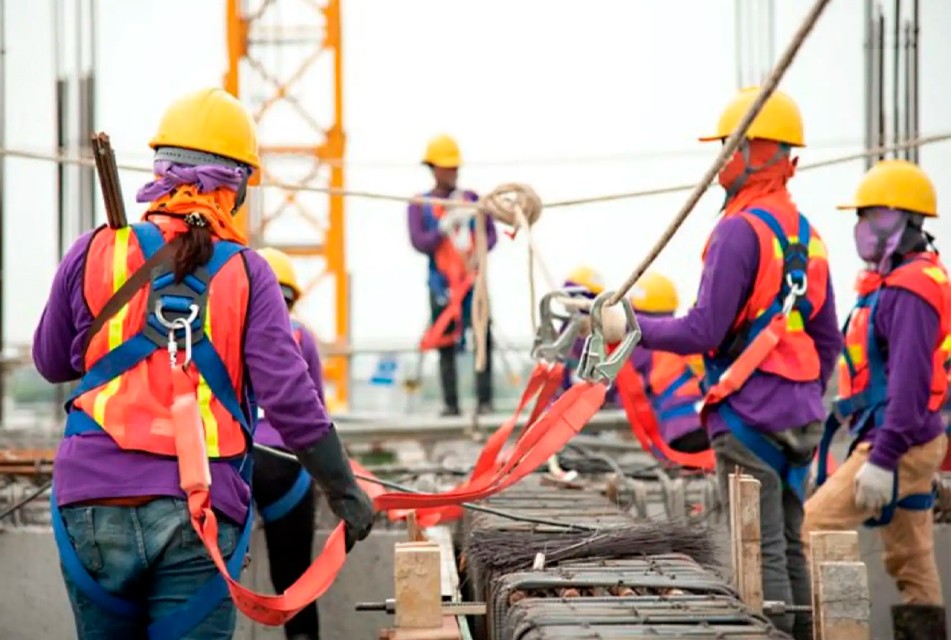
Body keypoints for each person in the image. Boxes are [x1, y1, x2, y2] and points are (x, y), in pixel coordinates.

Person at [32, 87, 374, 640]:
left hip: (90, 500)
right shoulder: (247, 271)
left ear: (162, 172)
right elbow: (289, 397)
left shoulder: (97, 249)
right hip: (199, 508)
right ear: (236, 189)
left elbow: (50, 361)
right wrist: (342, 488)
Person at [629, 87, 841, 638]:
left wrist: (633, 327)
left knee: (759, 552)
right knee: (790, 544)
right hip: (800, 418)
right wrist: (803, 400)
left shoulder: (737, 231)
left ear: (758, 150)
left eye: (731, 147)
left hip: (750, 419)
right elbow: (826, 342)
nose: (722, 160)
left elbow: (703, 330)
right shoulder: (807, 237)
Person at [802, 159, 950, 638]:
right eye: (862, 218)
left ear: (908, 224)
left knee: (816, 526)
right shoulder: (899, 284)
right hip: (913, 437)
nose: (865, 230)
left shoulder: (910, 293)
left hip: (900, 441)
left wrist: (883, 460)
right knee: (912, 561)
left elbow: (908, 387)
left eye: (877, 218)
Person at [253, 247, 325, 640]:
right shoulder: (302, 337)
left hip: (236, 462)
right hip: (288, 468)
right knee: (296, 584)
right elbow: (317, 418)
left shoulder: (227, 332)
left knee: (207, 583)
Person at [407, 134, 498, 416]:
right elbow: (419, 242)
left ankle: (484, 401)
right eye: (446, 168)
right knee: (445, 342)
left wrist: (477, 249)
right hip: (441, 284)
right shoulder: (420, 204)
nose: (452, 173)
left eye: (454, 168)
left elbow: (492, 236)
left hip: (472, 282)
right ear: (433, 168)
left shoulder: (471, 200)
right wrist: (442, 229)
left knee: (482, 337)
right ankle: (451, 404)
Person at [627, 271, 708, 454]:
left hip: (679, 430)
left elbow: (619, 385)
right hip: (710, 424)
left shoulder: (642, 345)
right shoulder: (682, 336)